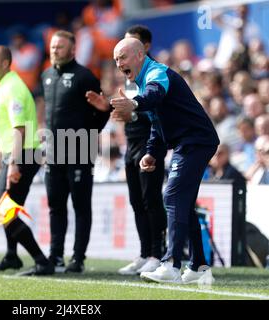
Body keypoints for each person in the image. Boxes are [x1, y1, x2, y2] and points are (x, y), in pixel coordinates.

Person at [87, 38, 220, 284]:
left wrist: (135, 104)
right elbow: (157, 126)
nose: (119, 64)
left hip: (196, 141)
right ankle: (199, 266)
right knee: (183, 202)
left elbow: (154, 94)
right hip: (190, 142)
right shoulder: (143, 82)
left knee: (172, 197)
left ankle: (170, 263)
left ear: (140, 55)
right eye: (116, 59)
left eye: (123, 57)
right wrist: (151, 153)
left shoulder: (156, 72)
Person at [41, 30, 110, 273]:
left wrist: (90, 134)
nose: (54, 50)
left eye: (60, 47)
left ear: (72, 50)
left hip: (80, 151)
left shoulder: (85, 77)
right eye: (52, 47)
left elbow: (101, 113)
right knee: (55, 206)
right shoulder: (46, 76)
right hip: (53, 153)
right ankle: (55, 256)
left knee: (81, 206)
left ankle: (78, 258)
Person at [0, 45, 54, 276]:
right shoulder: (5, 85)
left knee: (5, 210)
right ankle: (12, 255)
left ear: (5, 63)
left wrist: (13, 162)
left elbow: (20, 129)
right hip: (18, 155)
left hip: (22, 155)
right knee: (9, 208)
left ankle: (41, 261)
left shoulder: (13, 87)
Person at [111, 25, 167, 276]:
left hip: (150, 142)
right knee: (136, 201)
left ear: (144, 47)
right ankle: (145, 253)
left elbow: (156, 110)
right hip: (131, 144)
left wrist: (131, 111)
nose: (122, 56)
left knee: (151, 200)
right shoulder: (129, 74)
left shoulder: (155, 73)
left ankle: (158, 253)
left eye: (128, 47)